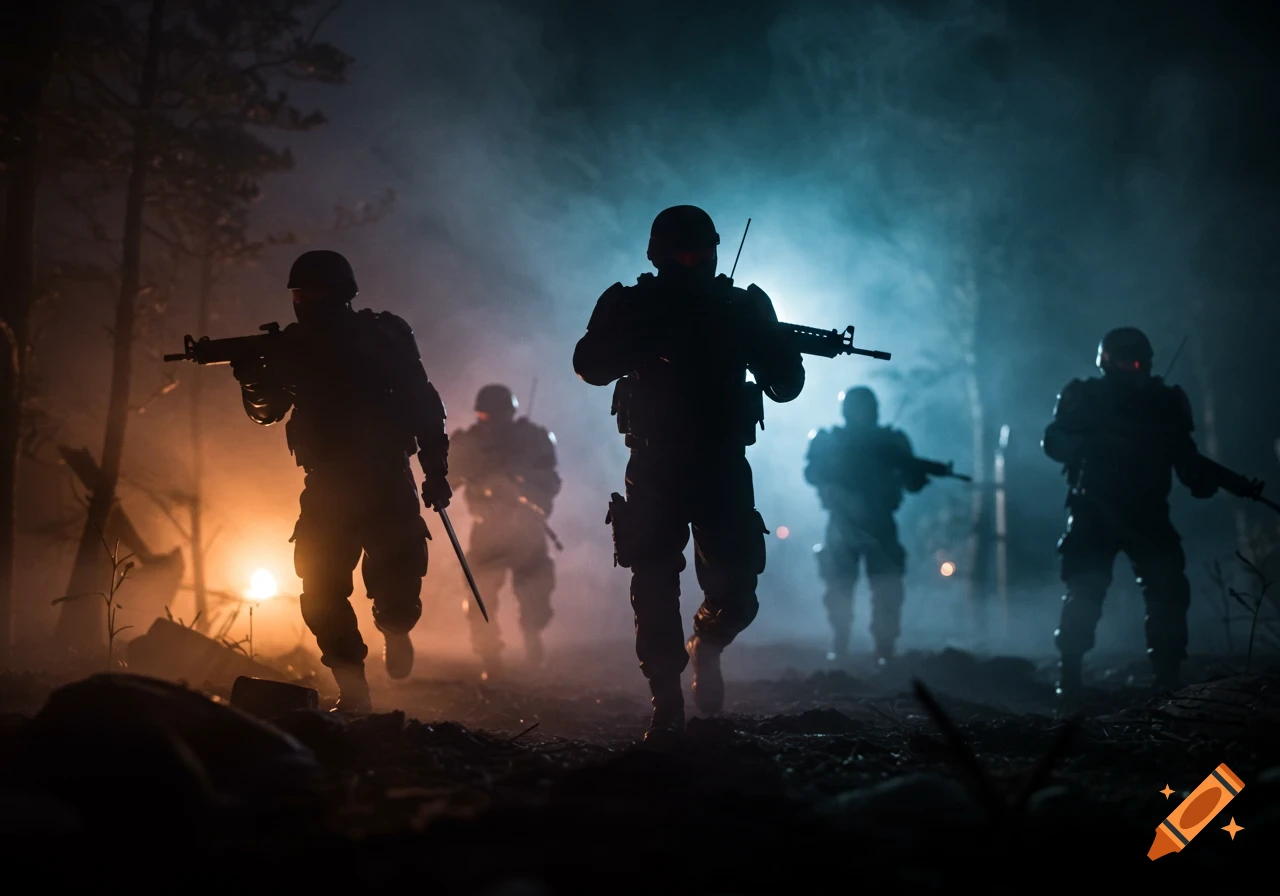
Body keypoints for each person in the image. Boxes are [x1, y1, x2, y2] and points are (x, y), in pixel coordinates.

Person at [572, 205, 805, 742]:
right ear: (658, 255)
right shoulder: (630, 304)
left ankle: (707, 642)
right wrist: (649, 339)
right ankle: (666, 700)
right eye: (684, 253)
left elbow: (785, 384)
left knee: (738, 594)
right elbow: (589, 365)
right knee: (652, 581)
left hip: (722, 463)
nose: (696, 261)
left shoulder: (742, 305)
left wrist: (770, 347)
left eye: (704, 252)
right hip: (654, 464)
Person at [230, 250, 452, 712]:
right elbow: (267, 413)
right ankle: (354, 690)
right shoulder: (293, 347)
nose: (303, 300)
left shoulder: (384, 336)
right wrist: (252, 378)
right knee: (320, 588)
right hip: (328, 486)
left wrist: (436, 470)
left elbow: (422, 401)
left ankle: (394, 629)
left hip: (388, 479)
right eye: (297, 293)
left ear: (338, 293)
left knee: (399, 585)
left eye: (312, 292)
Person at [1042, 327, 1218, 697]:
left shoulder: (1164, 402)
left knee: (1168, 590)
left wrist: (1200, 479)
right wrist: (1095, 442)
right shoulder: (1085, 397)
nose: (1132, 368)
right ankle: (1069, 676)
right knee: (1084, 592)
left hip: (1147, 511)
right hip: (1094, 511)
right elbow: (1055, 442)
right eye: (1125, 360)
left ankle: (1167, 676)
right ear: (1107, 362)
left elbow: (1184, 454)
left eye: (1138, 361)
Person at [804, 386, 929, 665]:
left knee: (887, 589)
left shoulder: (890, 442)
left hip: (879, 520)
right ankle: (840, 645)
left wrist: (909, 470)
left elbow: (913, 482)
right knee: (839, 587)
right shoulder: (831, 441)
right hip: (842, 522)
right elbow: (812, 473)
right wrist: (842, 468)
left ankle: (884, 649)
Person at [449, 383, 561, 673]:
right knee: (479, 595)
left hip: (526, 527)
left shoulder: (533, 439)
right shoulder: (470, 443)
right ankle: (490, 657)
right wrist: (481, 480)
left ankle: (532, 638)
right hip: (488, 528)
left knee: (535, 595)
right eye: (486, 417)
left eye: (498, 416)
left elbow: (551, 482)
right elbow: (446, 481)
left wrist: (523, 485)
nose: (493, 424)